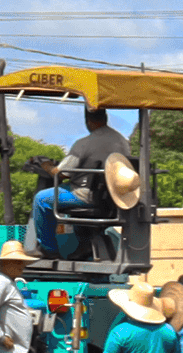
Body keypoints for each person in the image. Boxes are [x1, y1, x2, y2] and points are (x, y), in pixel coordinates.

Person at [27, 102, 127, 260]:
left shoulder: (85, 143)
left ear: (88, 121)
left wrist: (46, 165)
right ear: (105, 118)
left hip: (85, 195)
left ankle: (49, 250)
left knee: (41, 199)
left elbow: (61, 174)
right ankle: (84, 245)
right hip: (112, 198)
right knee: (69, 189)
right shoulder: (122, 142)